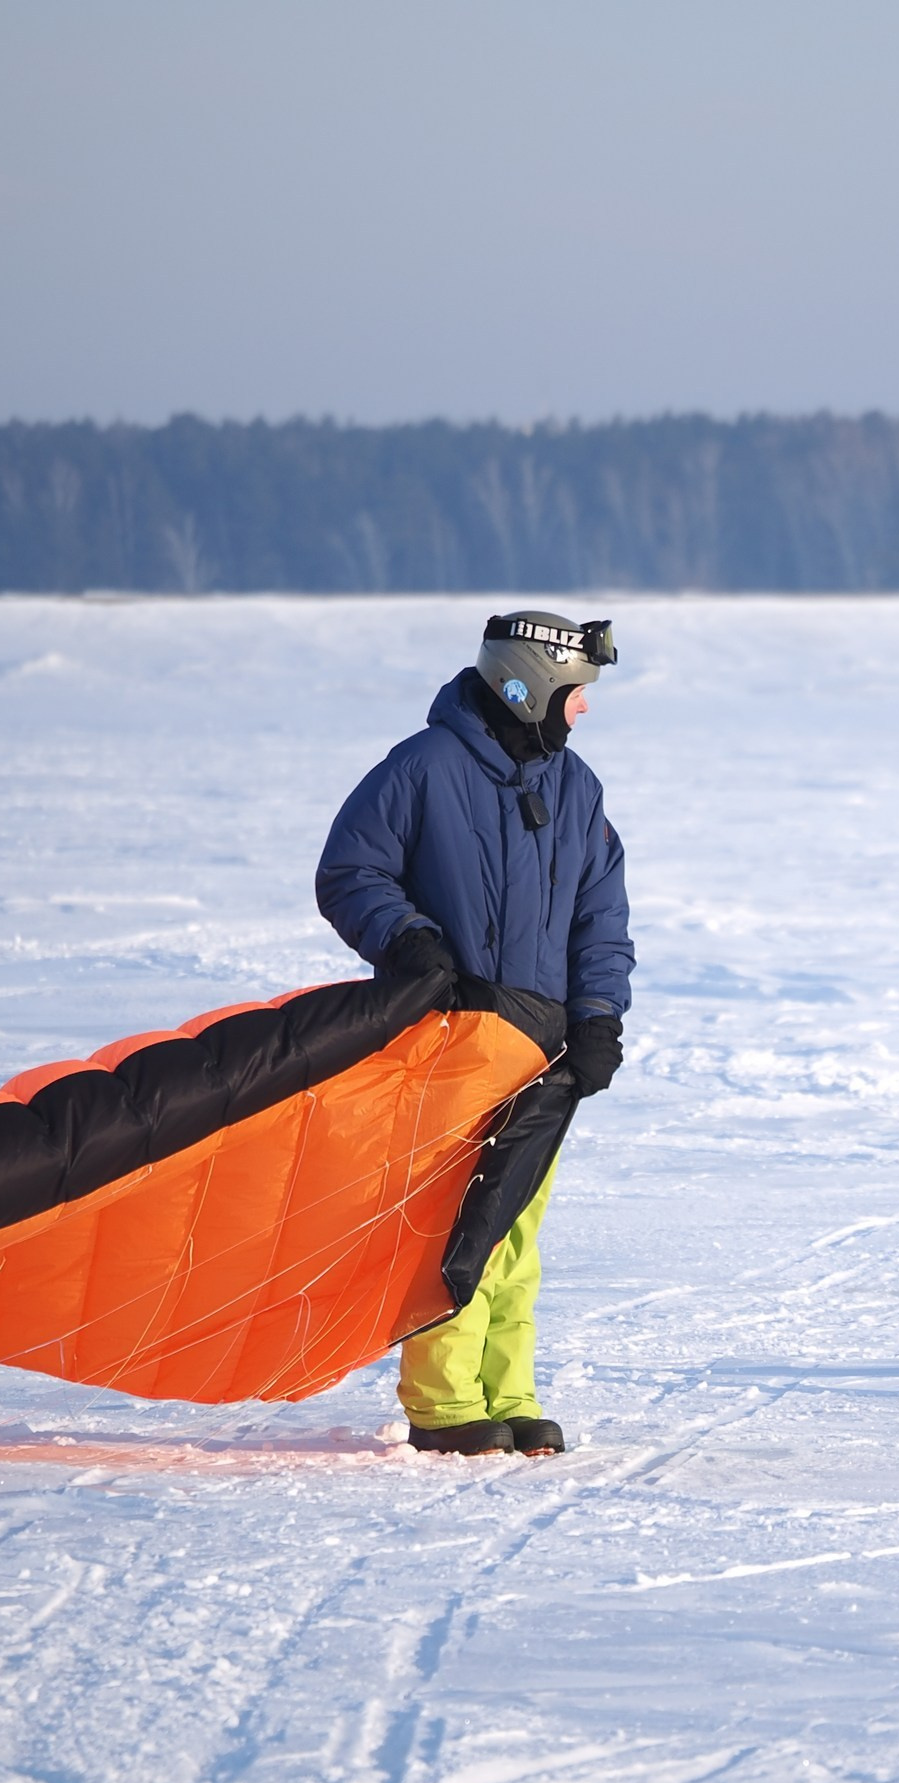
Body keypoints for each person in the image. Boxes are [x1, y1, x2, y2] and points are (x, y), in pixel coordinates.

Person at [317, 612, 633, 1455]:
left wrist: (599, 1017)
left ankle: (508, 1393)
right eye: (575, 695)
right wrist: (408, 940)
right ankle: (446, 1404)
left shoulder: (577, 790)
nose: (583, 713)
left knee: (516, 1228)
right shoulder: (423, 769)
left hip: (545, 1048)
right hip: (450, 1042)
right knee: (456, 1226)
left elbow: (601, 919)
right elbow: (351, 869)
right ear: (526, 686)